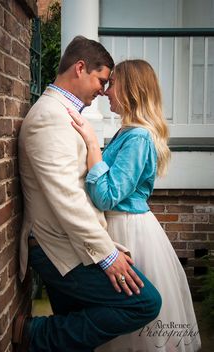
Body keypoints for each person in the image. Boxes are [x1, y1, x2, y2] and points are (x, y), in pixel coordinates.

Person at [13, 37, 162, 352]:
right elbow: (68, 197)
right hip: (58, 248)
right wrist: (107, 256)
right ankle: (35, 334)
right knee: (145, 304)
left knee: (78, 335)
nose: (103, 90)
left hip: (70, 242)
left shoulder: (63, 111)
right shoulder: (50, 117)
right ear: (80, 68)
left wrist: (108, 246)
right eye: (101, 80)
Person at [69, 59, 201, 352]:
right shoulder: (127, 133)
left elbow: (106, 195)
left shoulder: (138, 137)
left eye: (113, 83)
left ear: (130, 90)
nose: (106, 91)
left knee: (134, 323)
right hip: (119, 226)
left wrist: (92, 145)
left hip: (129, 231)